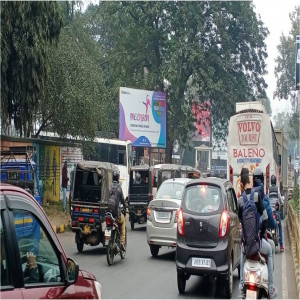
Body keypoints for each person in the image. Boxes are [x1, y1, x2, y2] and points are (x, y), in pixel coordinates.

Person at [238, 167, 277, 299]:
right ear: (250, 180)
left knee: (242, 254)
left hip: (247, 245)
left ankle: (241, 286)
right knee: (270, 252)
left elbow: (240, 222)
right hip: (257, 244)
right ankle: (270, 288)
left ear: (241, 184)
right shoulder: (257, 196)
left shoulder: (240, 200)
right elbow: (265, 218)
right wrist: (259, 236)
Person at [253, 168, 277, 268]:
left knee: (242, 257)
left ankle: (241, 282)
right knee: (271, 247)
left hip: (247, 243)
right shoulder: (265, 201)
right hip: (259, 241)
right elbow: (271, 223)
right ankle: (271, 284)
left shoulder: (247, 197)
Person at [111, 169, 127, 251]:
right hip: (116, 215)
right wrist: (125, 206)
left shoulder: (108, 186)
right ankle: (122, 243)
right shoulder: (119, 188)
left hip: (108, 215)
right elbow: (123, 201)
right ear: (118, 177)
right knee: (123, 221)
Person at [268, 175, 284, 252]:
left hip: (270, 212)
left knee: (268, 226)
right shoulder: (277, 189)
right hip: (276, 212)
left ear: (271, 181)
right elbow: (280, 198)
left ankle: (267, 241)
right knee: (280, 226)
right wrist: (282, 203)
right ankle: (281, 246)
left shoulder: (269, 189)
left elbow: (267, 198)